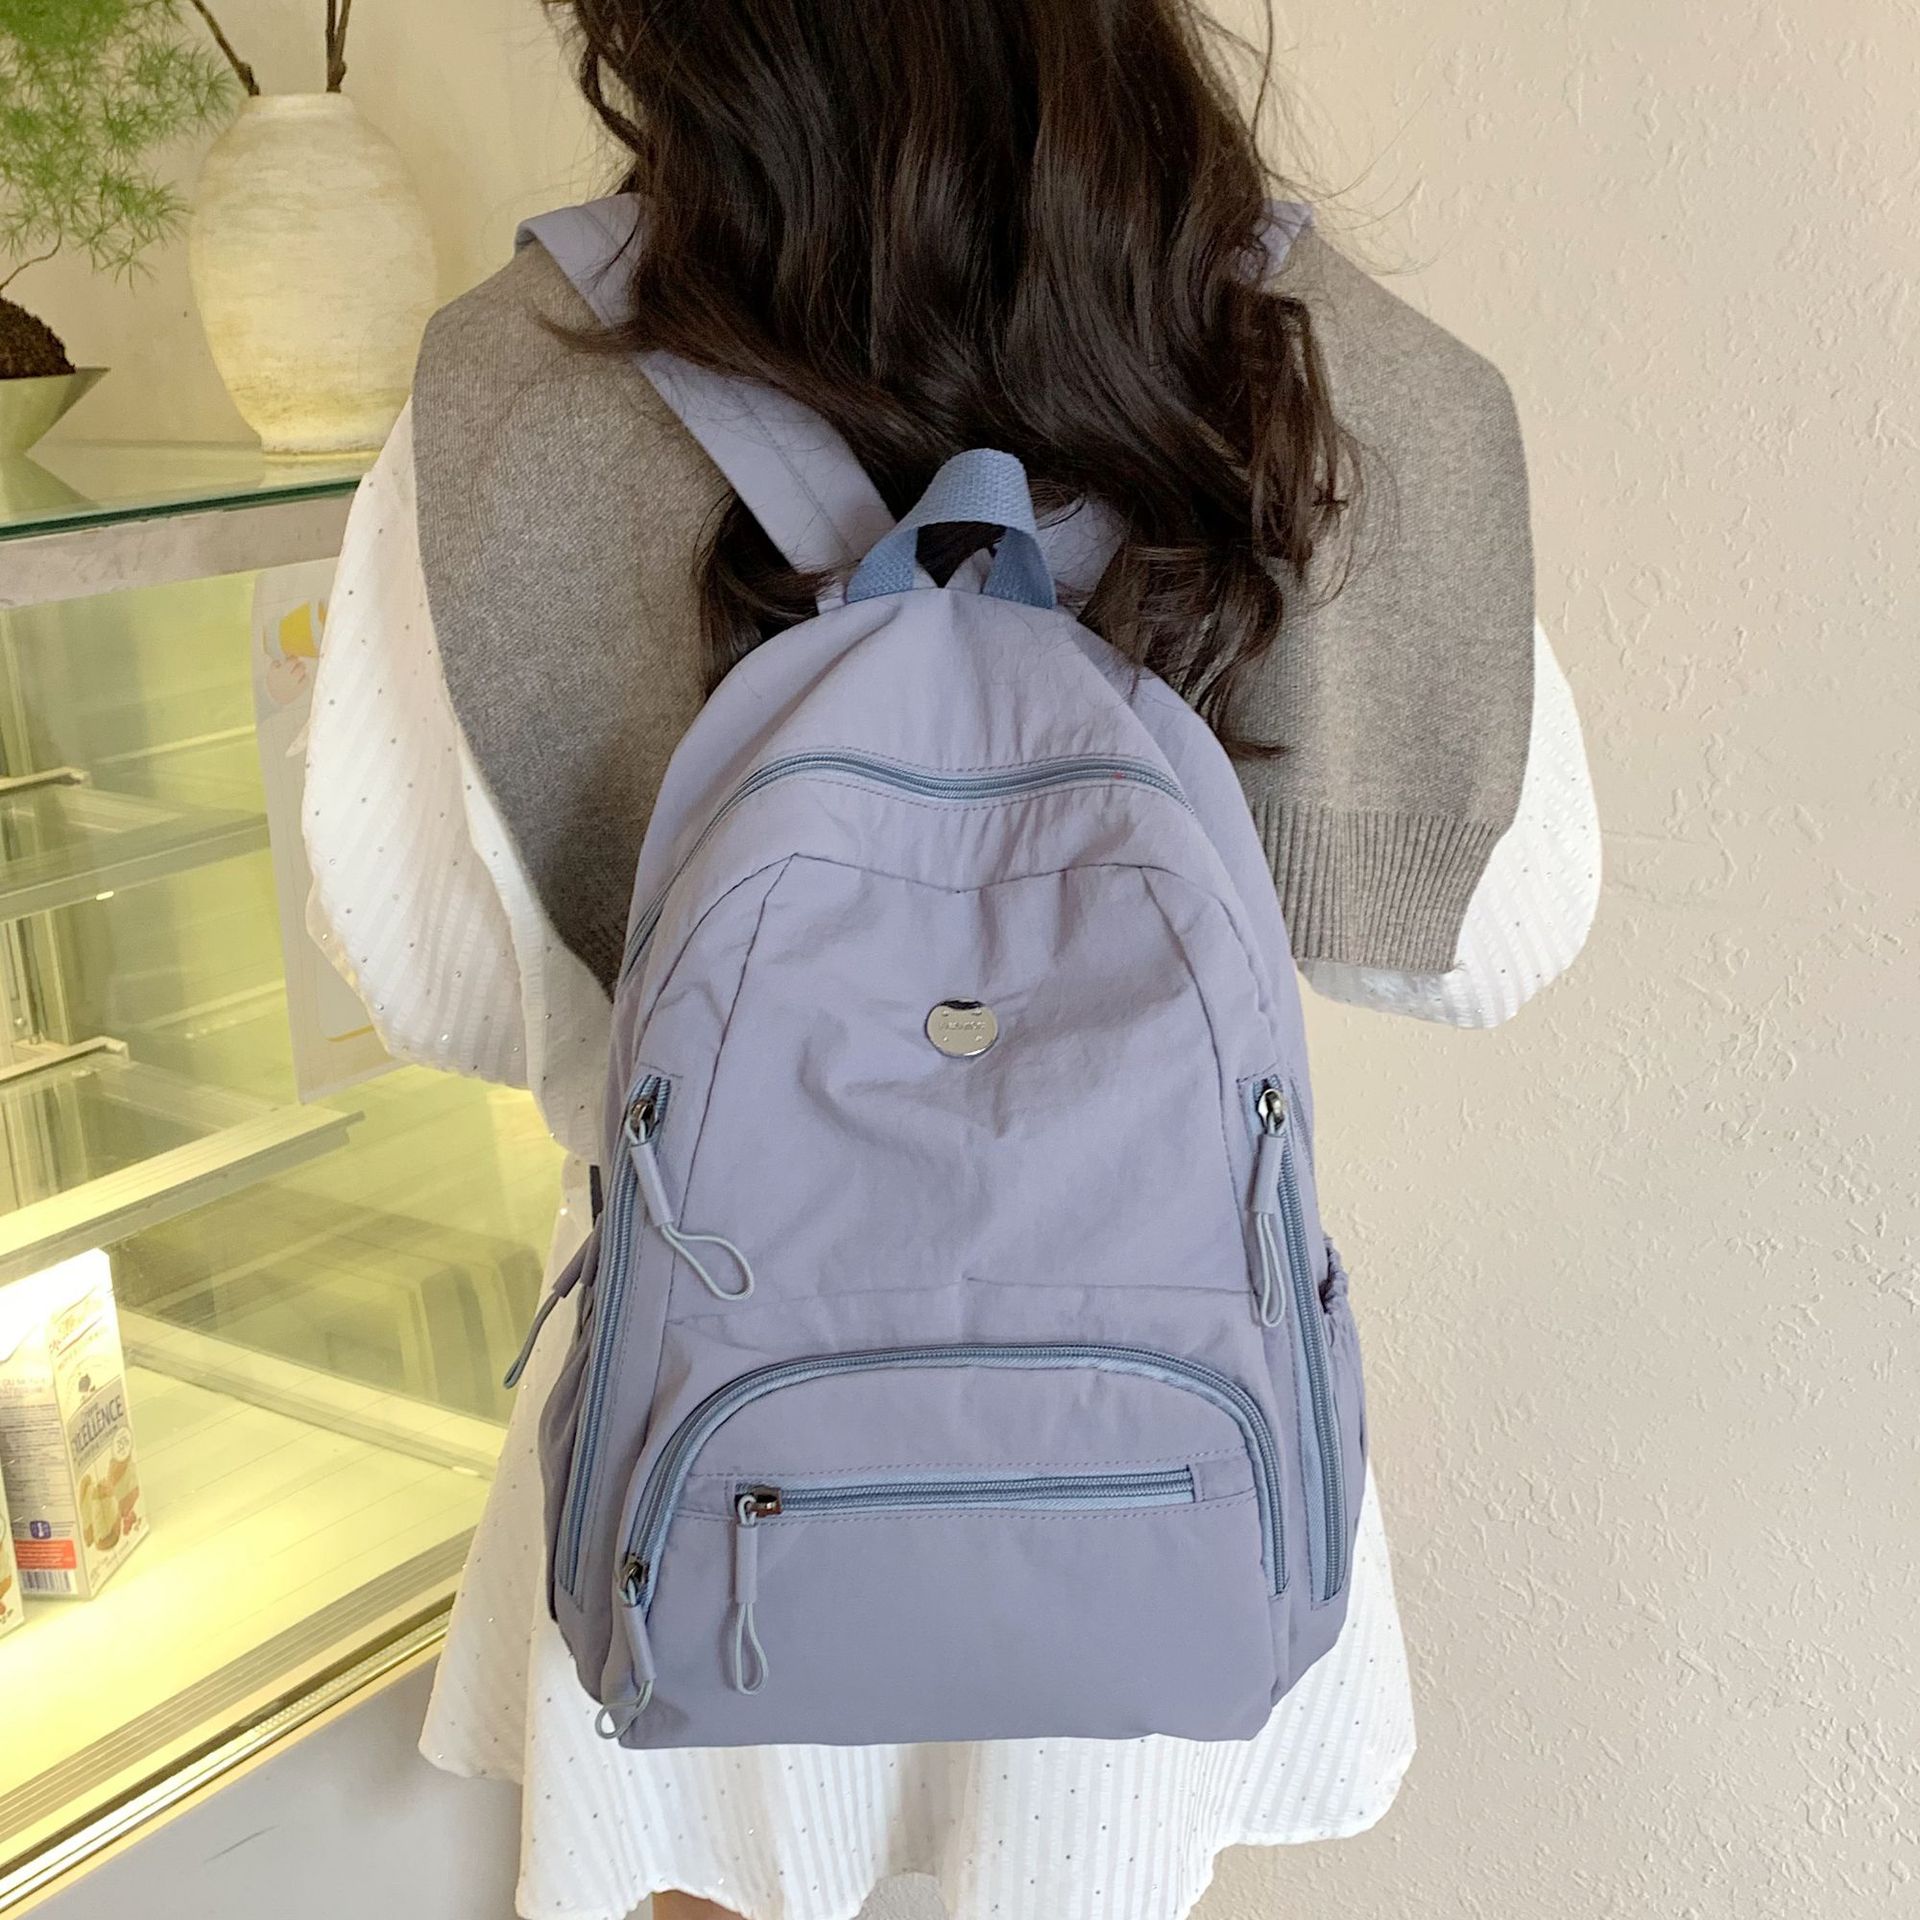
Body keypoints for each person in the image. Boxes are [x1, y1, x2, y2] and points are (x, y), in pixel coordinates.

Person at [304, 3, 1599, 1917]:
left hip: (710, 1485)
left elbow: (433, 984)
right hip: (1162, 1471)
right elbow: (1499, 935)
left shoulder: (513, 384)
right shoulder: (1312, 362)